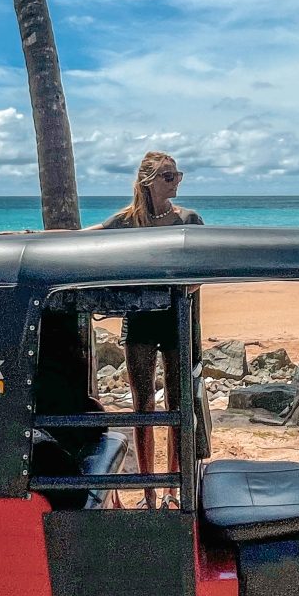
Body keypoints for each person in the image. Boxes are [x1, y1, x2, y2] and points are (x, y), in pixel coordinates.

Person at [87, 151, 203, 506]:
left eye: (178, 175)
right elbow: (85, 239)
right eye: (169, 177)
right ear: (147, 182)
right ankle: (150, 492)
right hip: (139, 319)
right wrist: (35, 238)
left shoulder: (188, 219)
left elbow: (202, 272)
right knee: (143, 408)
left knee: (179, 405)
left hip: (178, 319)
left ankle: (174, 489)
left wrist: (181, 284)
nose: (177, 182)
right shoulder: (127, 221)